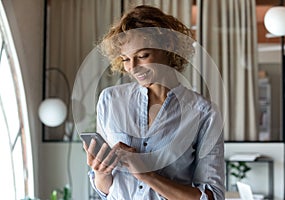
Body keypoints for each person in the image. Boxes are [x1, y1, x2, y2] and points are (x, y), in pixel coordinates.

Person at [83, 5, 224, 200]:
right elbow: (106, 190)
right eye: (125, 59)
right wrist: (101, 172)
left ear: (169, 47)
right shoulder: (110, 100)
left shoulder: (204, 113)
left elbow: (212, 197)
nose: (133, 67)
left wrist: (147, 175)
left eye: (142, 56)